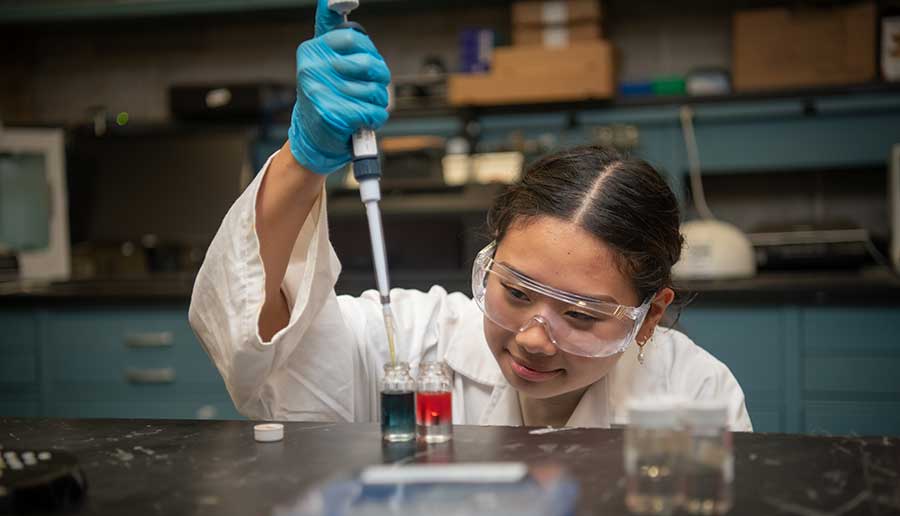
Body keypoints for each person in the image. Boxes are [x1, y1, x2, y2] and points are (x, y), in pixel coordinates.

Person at [189, 0, 752, 431]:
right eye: (516, 291)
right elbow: (259, 350)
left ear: (648, 316)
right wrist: (300, 162)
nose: (533, 339)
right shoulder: (413, 346)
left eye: (580, 316)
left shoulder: (695, 395)